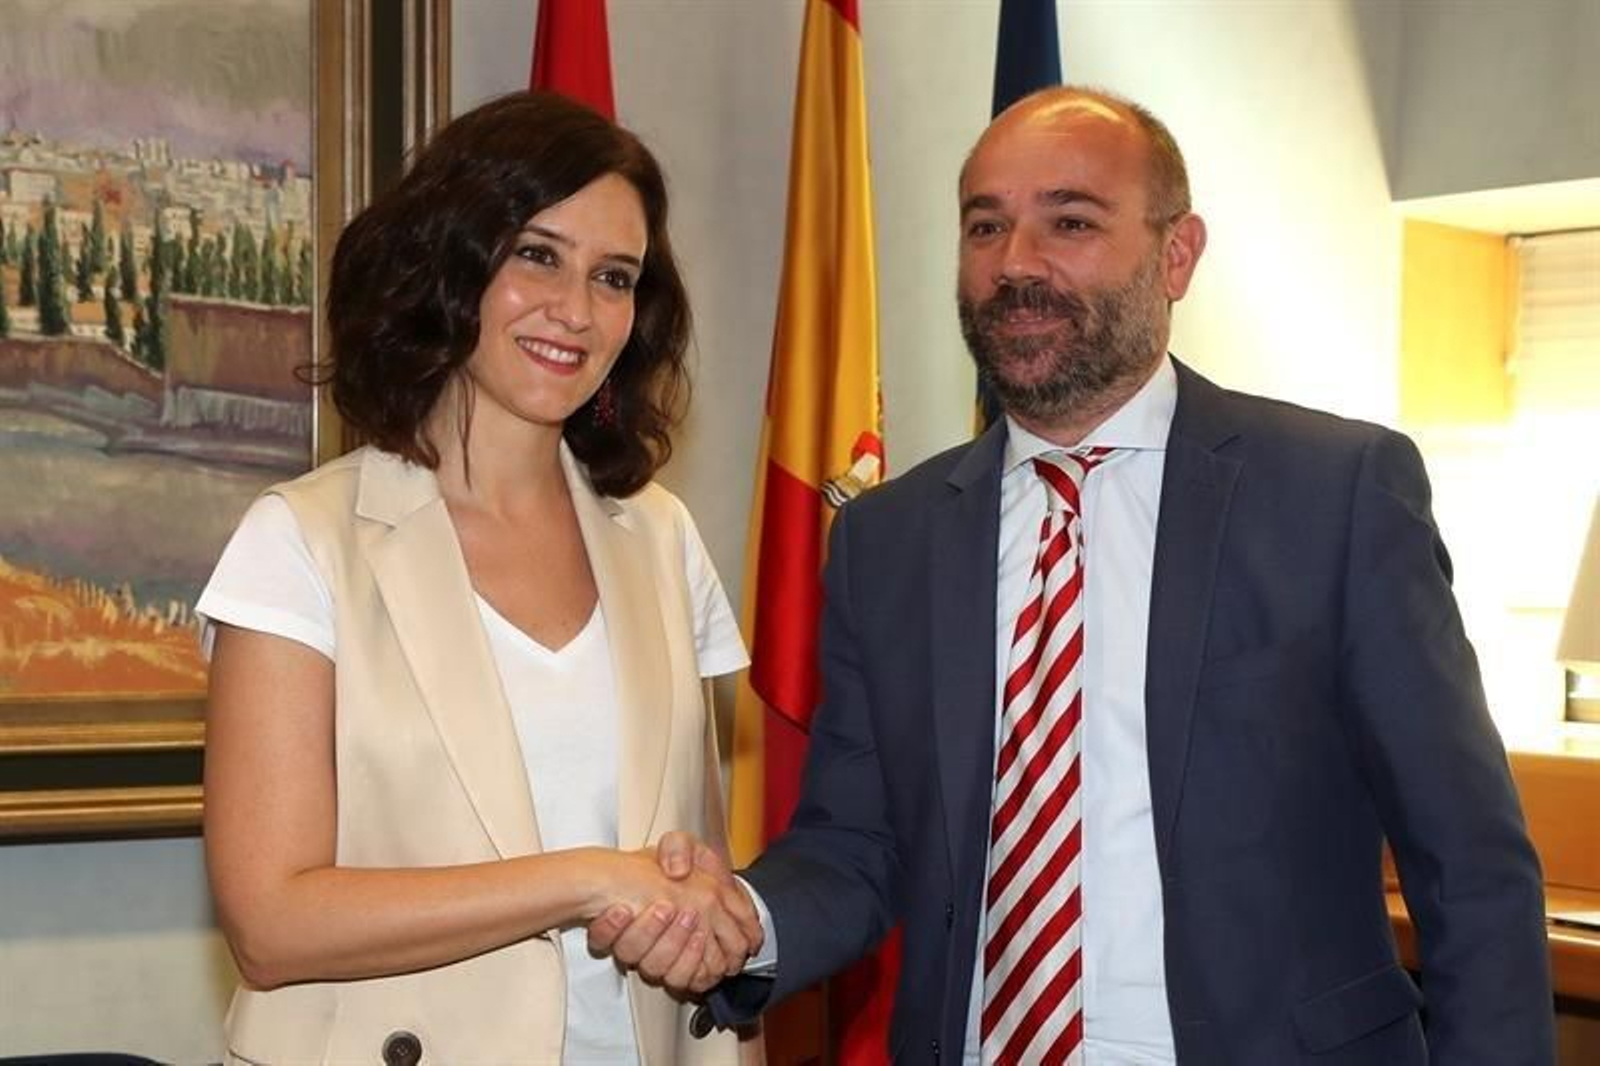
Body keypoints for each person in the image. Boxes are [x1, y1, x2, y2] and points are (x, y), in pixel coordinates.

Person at [591, 86, 1555, 1064]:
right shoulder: (890, 540)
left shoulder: (1333, 496)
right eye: (985, 226)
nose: (1016, 262)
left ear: (1176, 254)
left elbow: (1468, 864)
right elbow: (856, 843)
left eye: (1071, 221)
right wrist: (743, 922)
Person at [199, 91, 762, 1064]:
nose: (575, 310)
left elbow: (692, 871)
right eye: (537, 255)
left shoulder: (662, 538)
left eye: (614, 277)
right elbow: (272, 922)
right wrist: (587, 878)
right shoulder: (300, 542)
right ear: (449, 263)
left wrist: (704, 910)